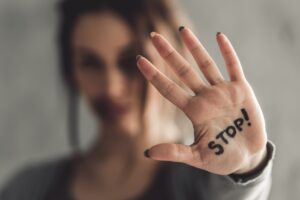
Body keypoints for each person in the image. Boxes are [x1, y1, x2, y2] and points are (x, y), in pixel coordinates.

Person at [0, 0, 275, 199]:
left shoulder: (203, 185)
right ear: (71, 70)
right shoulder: (28, 188)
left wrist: (248, 167)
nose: (111, 87)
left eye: (131, 62)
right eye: (90, 63)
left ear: (170, 60)